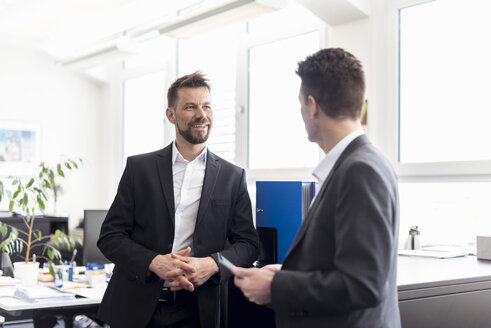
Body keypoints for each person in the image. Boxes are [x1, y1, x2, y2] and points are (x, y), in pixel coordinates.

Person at [233, 48, 401, 327]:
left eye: (300, 104)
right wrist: (287, 273)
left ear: (312, 106)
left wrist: (276, 286)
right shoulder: (355, 164)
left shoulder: (360, 170)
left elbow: (361, 285)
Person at [97, 71, 259, 328]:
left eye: (206, 106)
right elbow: (110, 237)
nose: (201, 115)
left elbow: (248, 245)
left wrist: (213, 264)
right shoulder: (140, 169)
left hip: (198, 310)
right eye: (190, 107)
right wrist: (154, 262)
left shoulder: (232, 177)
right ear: (171, 115)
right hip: (135, 309)